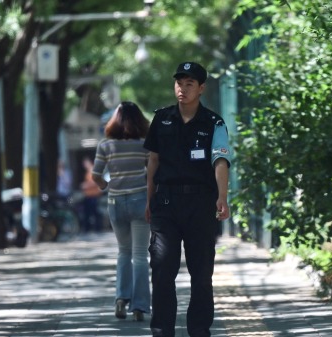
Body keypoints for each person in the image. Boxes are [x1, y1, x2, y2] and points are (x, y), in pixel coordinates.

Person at [143, 62, 232, 337]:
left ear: (201, 88)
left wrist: (222, 197)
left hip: (200, 205)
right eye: (179, 83)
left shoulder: (214, 123)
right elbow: (153, 161)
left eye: (189, 83)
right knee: (161, 272)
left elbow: (220, 161)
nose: (182, 88)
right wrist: (148, 200)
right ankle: (161, 331)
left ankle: (199, 330)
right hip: (166, 205)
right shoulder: (162, 119)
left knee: (202, 276)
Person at [91, 101, 151, 322]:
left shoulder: (105, 146)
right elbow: (154, 170)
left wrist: (107, 187)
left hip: (116, 202)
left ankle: (120, 299)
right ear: (139, 120)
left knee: (123, 252)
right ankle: (140, 306)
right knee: (140, 256)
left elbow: (96, 176)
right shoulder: (144, 144)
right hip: (140, 200)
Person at [80, 157, 103, 233]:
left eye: (85, 163)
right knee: (89, 213)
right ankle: (89, 228)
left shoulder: (93, 171)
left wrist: (86, 185)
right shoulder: (88, 172)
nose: (84, 165)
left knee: (93, 213)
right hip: (88, 195)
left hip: (93, 195)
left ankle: (97, 228)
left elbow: (95, 182)